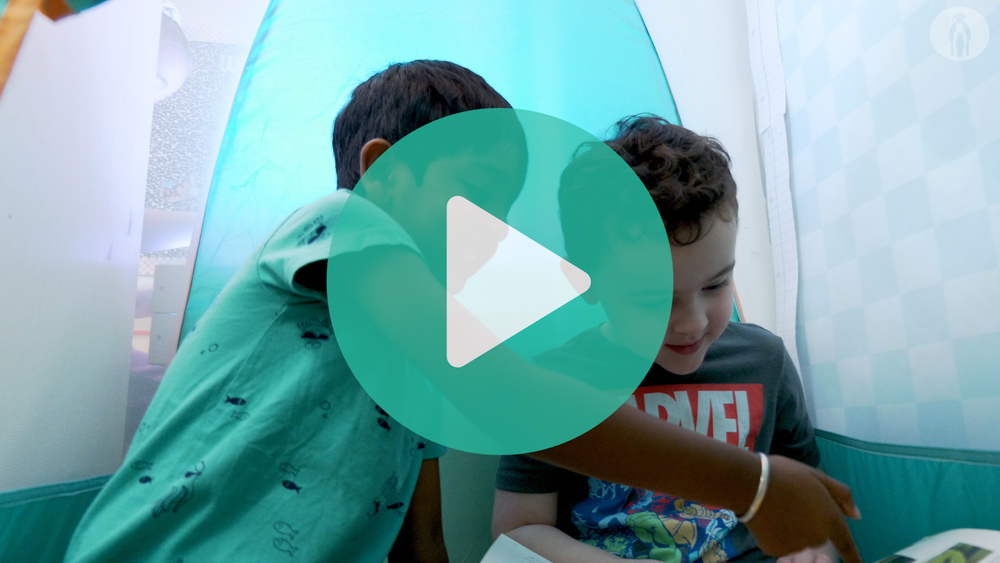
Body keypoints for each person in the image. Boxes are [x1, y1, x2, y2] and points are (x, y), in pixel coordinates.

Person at [65, 61, 859, 563]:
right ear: (384, 175)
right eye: (475, 202)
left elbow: (424, 542)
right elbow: (515, 396)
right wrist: (752, 484)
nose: (491, 238)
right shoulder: (347, 223)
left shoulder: (421, 374)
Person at [492, 115, 841, 563]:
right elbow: (516, 529)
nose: (691, 323)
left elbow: (811, 510)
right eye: (654, 299)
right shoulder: (549, 382)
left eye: (715, 286)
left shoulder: (765, 361)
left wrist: (813, 548)